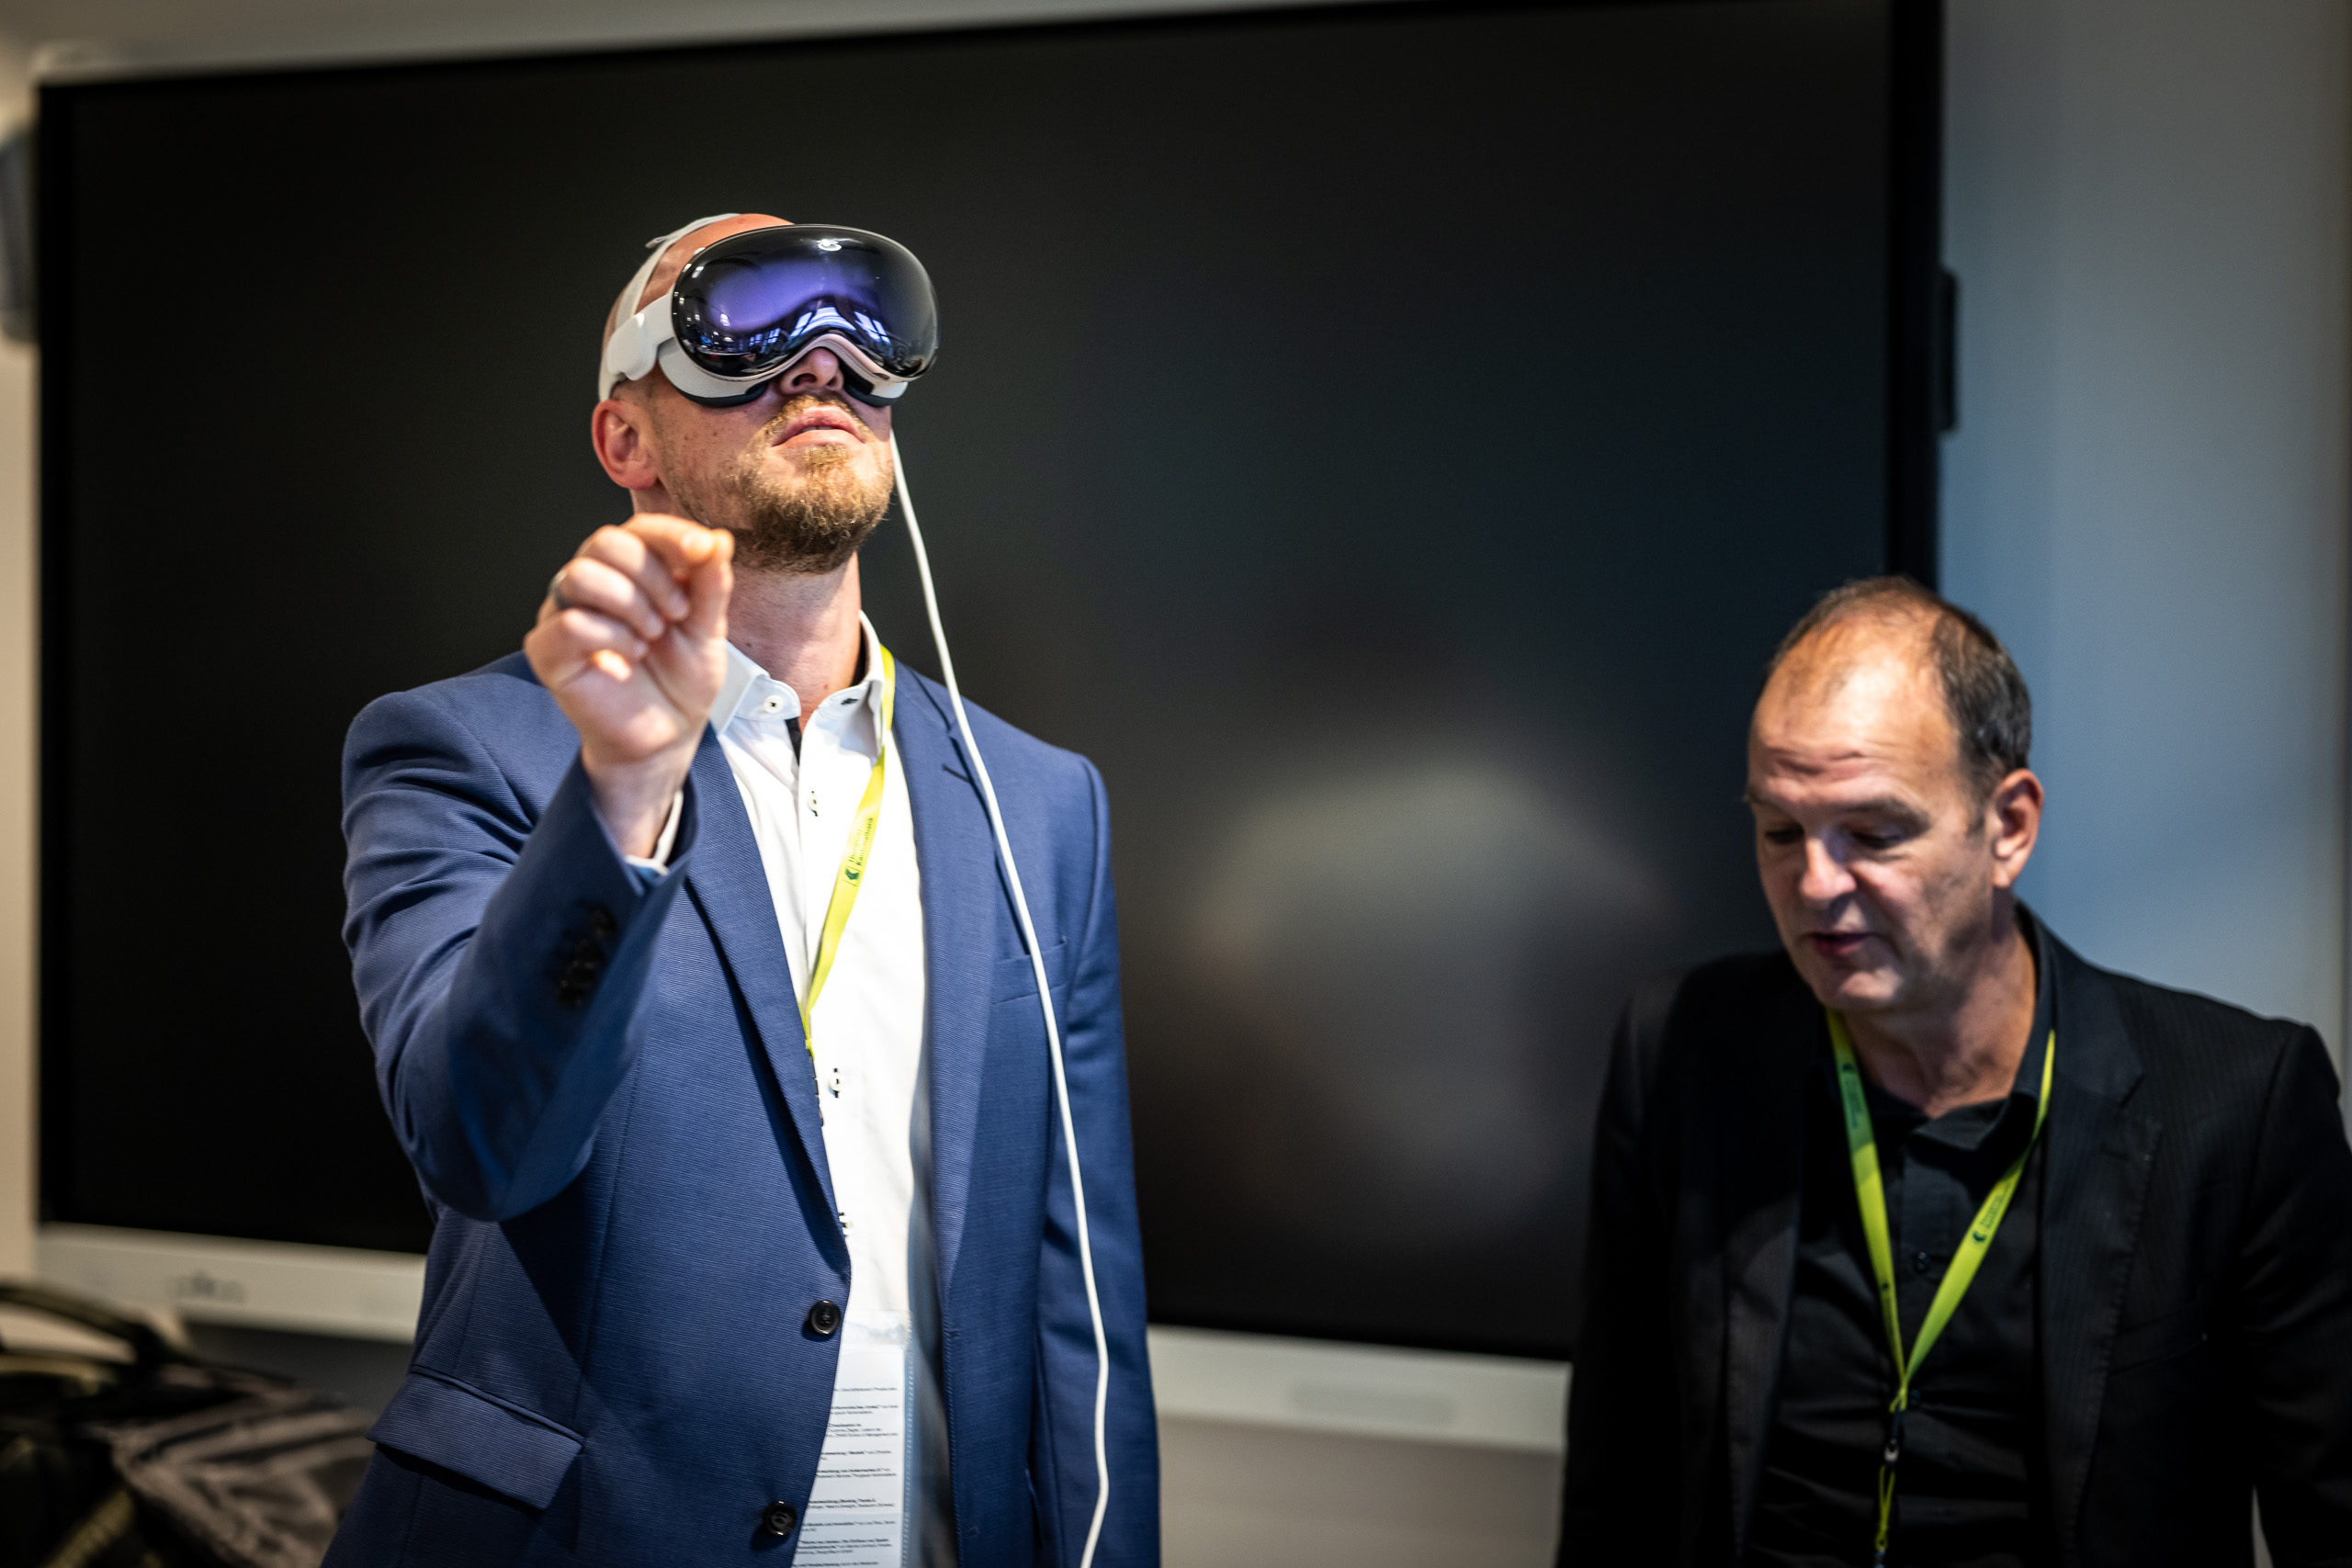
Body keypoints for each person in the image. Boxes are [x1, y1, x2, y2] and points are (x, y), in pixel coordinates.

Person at [327, 214, 1157, 1566]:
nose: (822, 362)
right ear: (627, 438)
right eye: (750, 322)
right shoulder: (460, 746)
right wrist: (622, 795)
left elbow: (1082, 1300)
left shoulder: (1041, 801)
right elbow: (483, 1143)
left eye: (865, 321)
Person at [1559, 577, 2352, 1566]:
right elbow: (1615, 1483)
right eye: (1780, 831)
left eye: (1874, 834)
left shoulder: (2236, 1105)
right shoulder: (1680, 1047)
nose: (1815, 885)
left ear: (2007, 826)